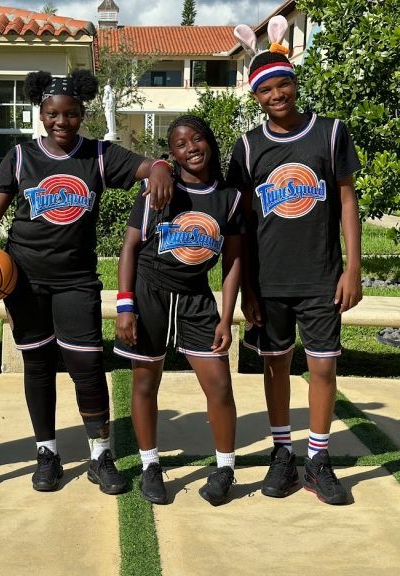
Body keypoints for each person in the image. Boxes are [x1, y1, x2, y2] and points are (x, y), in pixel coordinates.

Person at [0, 69, 174, 495]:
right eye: (53, 114)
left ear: (82, 114)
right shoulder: (21, 157)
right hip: (23, 280)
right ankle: (47, 452)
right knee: (37, 365)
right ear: (40, 113)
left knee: (87, 366)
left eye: (71, 114)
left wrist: (161, 166)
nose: (61, 122)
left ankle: (100, 454)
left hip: (76, 281)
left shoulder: (99, 155)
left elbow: (147, 166)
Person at [228, 16, 362, 505]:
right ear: (256, 95)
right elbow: (240, 223)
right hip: (269, 281)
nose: (276, 94)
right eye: (266, 89)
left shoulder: (329, 134)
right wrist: (245, 288)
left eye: (283, 83)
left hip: (322, 277)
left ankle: (318, 459)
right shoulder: (247, 146)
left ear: (295, 82)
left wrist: (353, 268)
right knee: (275, 367)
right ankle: (283, 453)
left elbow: (347, 201)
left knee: (323, 368)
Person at [115, 115, 242, 506]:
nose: (191, 148)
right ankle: (150, 464)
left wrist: (225, 316)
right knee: (145, 383)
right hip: (150, 292)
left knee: (219, 385)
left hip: (196, 297)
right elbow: (130, 248)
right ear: (172, 154)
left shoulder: (230, 197)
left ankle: (224, 469)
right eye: (181, 144)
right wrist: (125, 306)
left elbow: (234, 260)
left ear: (209, 142)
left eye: (197, 139)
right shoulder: (157, 189)